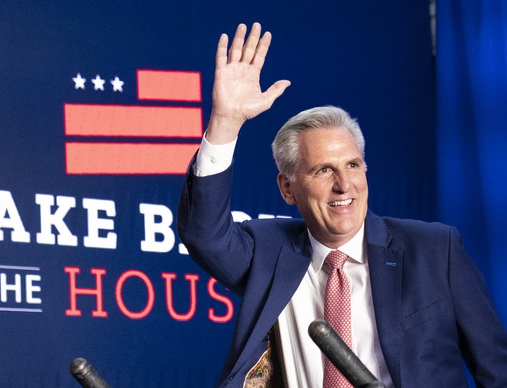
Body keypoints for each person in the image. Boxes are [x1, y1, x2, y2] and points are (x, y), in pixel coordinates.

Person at [177, 22, 507, 387]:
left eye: (353, 165)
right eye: (323, 170)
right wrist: (225, 123)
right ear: (288, 188)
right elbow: (203, 233)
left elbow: (496, 369)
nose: (344, 184)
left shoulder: (433, 249)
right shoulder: (268, 253)